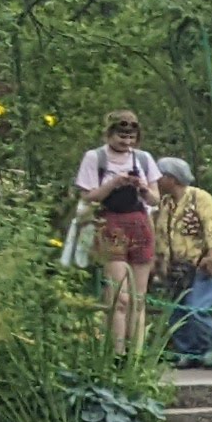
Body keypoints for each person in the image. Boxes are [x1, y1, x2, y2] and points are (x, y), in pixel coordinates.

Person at [73, 111, 160, 354]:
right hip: (110, 223)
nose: (126, 142)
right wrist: (114, 183)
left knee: (138, 298)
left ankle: (137, 355)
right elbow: (88, 196)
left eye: (131, 137)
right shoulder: (95, 158)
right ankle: (117, 353)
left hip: (139, 223)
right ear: (110, 133)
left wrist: (142, 188)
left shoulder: (143, 159)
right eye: (122, 136)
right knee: (120, 297)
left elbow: (155, 199)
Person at [155, 157, 212, 363]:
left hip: (199, 263)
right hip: (175, 266)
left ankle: (209, 348)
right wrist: (160, 262)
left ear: (172, 178)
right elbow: (161, 234)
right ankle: (187, 351)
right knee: (177, 311)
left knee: (197, 309)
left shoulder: (199, 198)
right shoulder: (165, 203)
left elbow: (211, 227)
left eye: (161, 175)